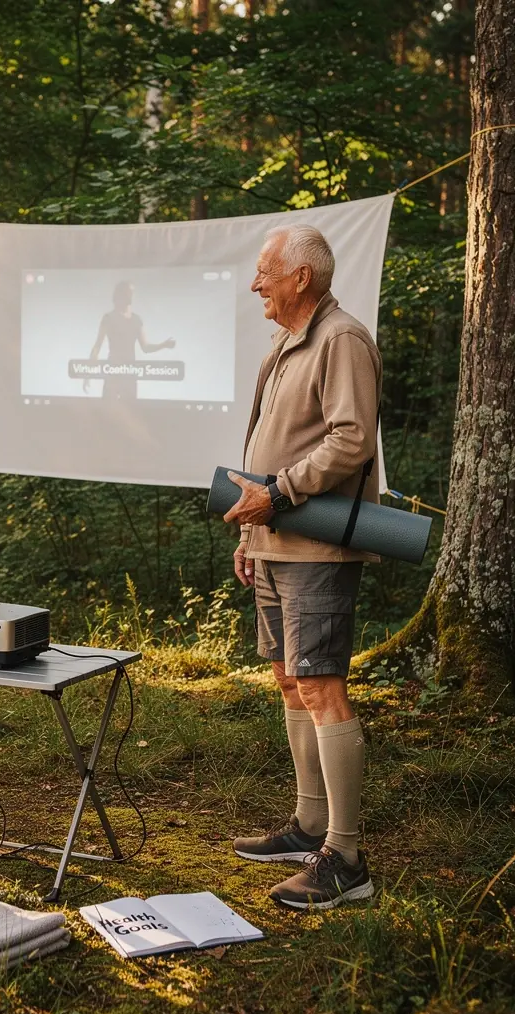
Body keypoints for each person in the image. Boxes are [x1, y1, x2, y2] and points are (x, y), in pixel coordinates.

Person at [224, 224, 381, 910]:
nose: (256, 283)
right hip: (274, 540)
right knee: (290, 681)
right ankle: (309, 824)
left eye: (266, 272)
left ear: (301, 280)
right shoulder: (287, 342)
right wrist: (251, 528)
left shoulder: (341, 337)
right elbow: (272, 445)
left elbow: (352, 438)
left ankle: (345, 857)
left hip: (317, 545)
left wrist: (280, 493)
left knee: (321, 686)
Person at [85, 280, 176, 399]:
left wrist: (163, 345)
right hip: (113, 370)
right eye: (129, 292)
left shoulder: (136, 320)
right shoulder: (109, 318)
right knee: (107, 410)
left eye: (132, 292)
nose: (131, 295)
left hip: (130, 373)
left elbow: (145, 347)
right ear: (121, 294)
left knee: (130, 410)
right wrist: (87, 373)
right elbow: (97, 346)